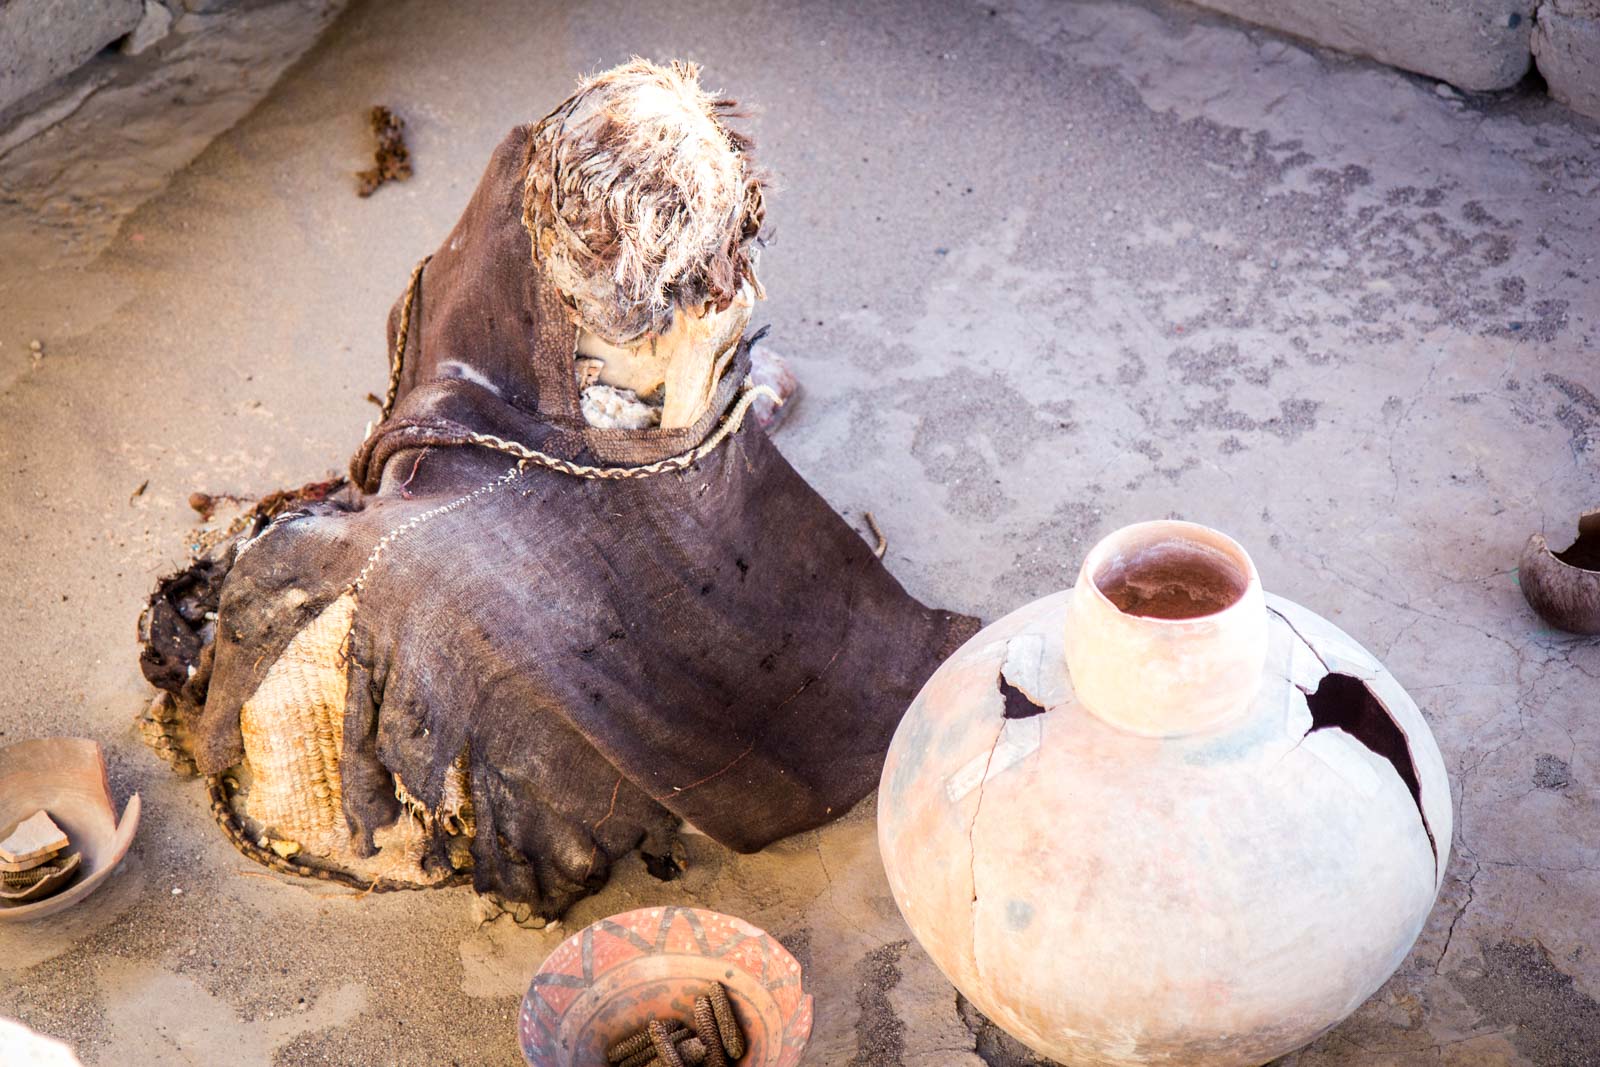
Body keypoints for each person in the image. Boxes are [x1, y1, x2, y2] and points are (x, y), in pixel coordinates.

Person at [139, 59, 975, 920]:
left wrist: (679, 388)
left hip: (575, 413)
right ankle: (718, 399)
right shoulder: (531, 198)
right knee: (484, 592)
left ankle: (722, 394)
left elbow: (658, 424)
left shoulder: (633, 242)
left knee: (658, 502)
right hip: (486, 427)